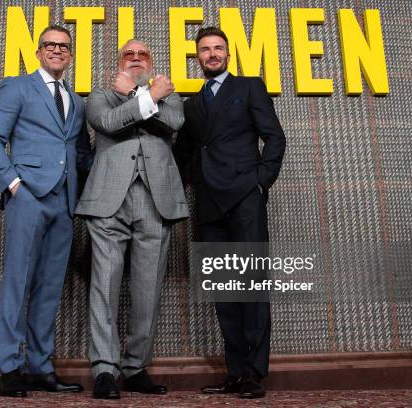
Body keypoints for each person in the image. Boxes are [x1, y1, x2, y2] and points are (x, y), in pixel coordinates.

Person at [0, 25, 92, 398]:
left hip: (64, 202)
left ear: (70, 54)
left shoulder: (76, 100)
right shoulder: (17, 86)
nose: (57, 50)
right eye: (51, 45)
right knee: (18, 282)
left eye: (64, 46)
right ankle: (10, 368)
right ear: (39, 50)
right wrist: (14, 185)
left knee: (49, 288)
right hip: (27, 197)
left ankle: (40, 367)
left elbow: (77, 153)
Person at [175, 27, 286, 399]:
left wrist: (261, 181)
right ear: (197, 57)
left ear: (228, 52)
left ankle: (255, 373)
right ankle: (235, 372)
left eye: (218, 48)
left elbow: (274, 135)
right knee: (224, 289)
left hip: (244, 197)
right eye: (205, 49)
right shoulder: (192, 103)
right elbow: (183, 154)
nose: (212, 54)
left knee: (251, 285)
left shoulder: (250, 86)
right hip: (209, 203)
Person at [75, 39, 189, 399]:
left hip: (156, 200)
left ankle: (136, 366)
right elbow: (108, 123)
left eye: (142, 55)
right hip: (109, 199)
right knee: (103, 287)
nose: (136, 59)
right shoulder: (100, 94)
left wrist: (141, 92)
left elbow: (174, 122)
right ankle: (105, 370)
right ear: (119, 61)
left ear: (151, 62)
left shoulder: (167, 92)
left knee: (148, 289)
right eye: (129, 55)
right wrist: (147, 95)